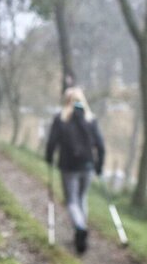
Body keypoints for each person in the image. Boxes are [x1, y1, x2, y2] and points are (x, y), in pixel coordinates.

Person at [45, 86, 106, 254]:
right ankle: (81, 229)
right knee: (82, 198)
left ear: (67, 101)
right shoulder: (90, 119)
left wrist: (49, 158)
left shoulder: (61, 119)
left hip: (68, 166)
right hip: (87, 166)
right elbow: (100, 146)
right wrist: (99, 166)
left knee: (72, 201)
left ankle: (80, 229)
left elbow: (51, 142)